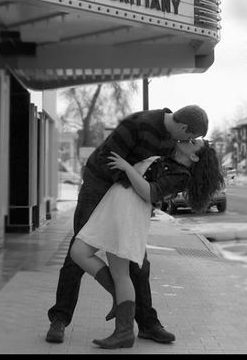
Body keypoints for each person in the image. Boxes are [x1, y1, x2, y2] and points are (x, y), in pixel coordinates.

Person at [46, 104, 210, 345]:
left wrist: (141, 192)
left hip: (125, 196)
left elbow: (160, 179)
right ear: (183, 127)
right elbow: (106, 159)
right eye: (191, 136)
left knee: (136, 261)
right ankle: (60, 319)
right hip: (99, 185)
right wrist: (135, 186)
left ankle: (146, 323)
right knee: (78, 251)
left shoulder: (173, 141)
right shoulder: (138, 124)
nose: (189, 140)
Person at [70, 137, 224, 348]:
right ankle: (119, 297)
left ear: (194, 155)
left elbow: (149, 192)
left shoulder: (182, 175)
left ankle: (124, 332)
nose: (188, 140)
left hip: (129, 210)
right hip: (114, 203)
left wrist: (126, 167)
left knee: (121, 274)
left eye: (193, 142)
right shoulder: (166, 153)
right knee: (78, 252)